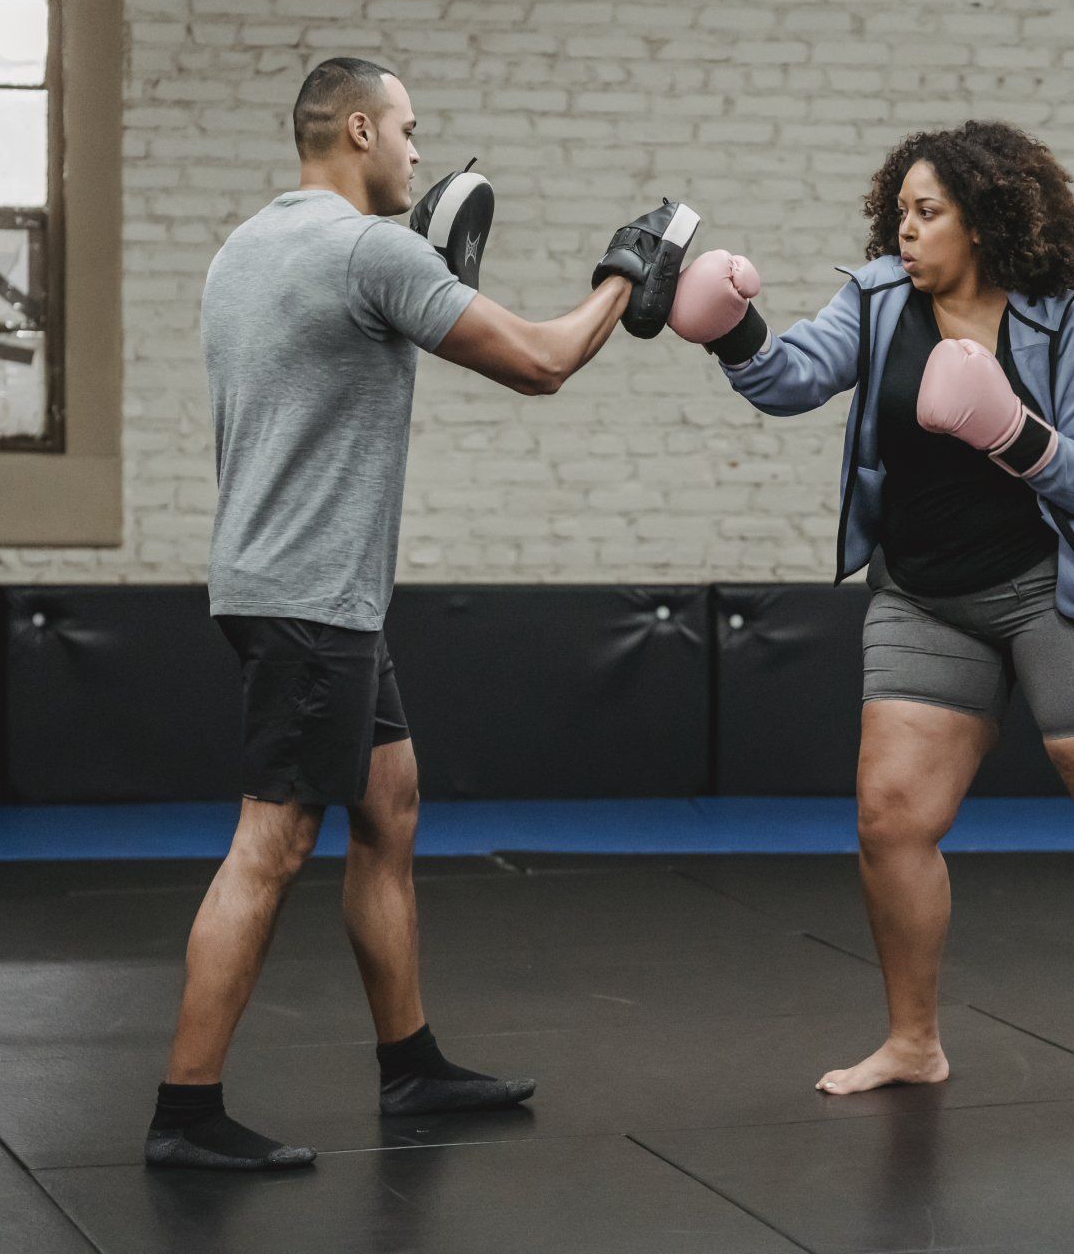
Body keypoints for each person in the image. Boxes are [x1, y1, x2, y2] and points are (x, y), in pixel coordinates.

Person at [669, 121, 1074, 1112]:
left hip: (1061, 586)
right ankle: (913, 1040)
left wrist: (1012, 431)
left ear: (983, 221)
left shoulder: (1058, 322)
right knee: (890, 819)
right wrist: (730, 329)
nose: (907, 230)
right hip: (926, 593)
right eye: (899, 211)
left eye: (928, 213)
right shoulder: (879, 297)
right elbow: (791, 377)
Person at [148, 57, 696, 1170]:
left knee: (387, 801)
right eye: (407, 128)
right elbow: (542, 364)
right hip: (314, 600)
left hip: (284, 584)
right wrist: (622, 276)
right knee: (274, 838)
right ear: (358, 129)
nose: (416, 148)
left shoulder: (247, 247)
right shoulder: (370, 251)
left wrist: (429, 283)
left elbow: (337, 362)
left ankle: (412, 1066)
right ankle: (185, 1111)